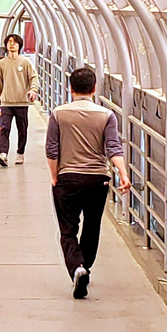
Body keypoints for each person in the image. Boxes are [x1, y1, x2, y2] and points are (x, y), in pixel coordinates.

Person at [46, 66, 129, 299]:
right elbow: (113, 147)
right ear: (94, 88)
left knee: (68, 230)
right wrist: (123, 173)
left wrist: (54, 176)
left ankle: (77, 267)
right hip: (98, 179)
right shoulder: (106, 115)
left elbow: (52, 149)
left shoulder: (59, 114)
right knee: (92, 226)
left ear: (70, 88)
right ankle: (85, 267)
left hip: (68, 177)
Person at [0, 33, 38, 167]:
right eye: (9, 42)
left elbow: (34, 78)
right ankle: (3, 154)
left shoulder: (25, 62)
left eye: (15, 42)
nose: (12, 44)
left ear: (19, 45)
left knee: (22, 129)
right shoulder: (1, 64)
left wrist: (33, 90)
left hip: (22, 102)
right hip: (6, 102)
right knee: (4, 128)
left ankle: (20, 152)